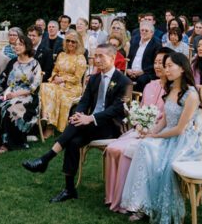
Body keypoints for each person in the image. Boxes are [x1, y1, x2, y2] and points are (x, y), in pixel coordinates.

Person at [21, 43, 130, 203]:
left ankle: (46, 159)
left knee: (76, 127)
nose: (97, 60)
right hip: (89, 125)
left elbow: (117, 109)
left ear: (112, 58)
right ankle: (69, 189)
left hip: (111, 126)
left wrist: (90, 118)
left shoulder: (124, 81)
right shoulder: (93, 79)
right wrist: (79, 114)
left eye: (101, 56)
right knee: (73, 142)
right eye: (95, 56)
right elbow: (84, 101)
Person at [118, 51, 202, 222]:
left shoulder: (190, 95)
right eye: (165, 66)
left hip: (184, 141)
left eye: (170, 66)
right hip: (167, 135)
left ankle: (153, 206)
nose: (165, 69)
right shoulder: (171, 89)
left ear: (182, 68)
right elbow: (165, 121)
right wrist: (150, 132)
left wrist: (155, 136)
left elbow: (179, 129)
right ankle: (142, 204)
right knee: (144, 147)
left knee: (156, 158)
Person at [105, 50, 170, 213]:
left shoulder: (173, 90)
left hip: (158, 133)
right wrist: (139, 125)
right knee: (112, 148)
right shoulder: (149, 85)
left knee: (125, 151)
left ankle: (125, 199)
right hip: (140, 129)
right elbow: (140, 110)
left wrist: (148, 130)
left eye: (161, 63)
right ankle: (112, 197)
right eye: (155, 62)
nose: (157, 66)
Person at [0, 34, 43, 152]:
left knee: (9, 107)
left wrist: (16, 94)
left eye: (20, 44)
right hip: (10, 93)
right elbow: (2, 79)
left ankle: (8, 142)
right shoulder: (12, 62)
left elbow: (34, 87)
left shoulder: (35, 64)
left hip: (27, 96)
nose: (17, 46)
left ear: (27, 46)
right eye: (16, 44)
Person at [39, 30, 88, 135]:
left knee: (57, 94)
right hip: (57, 83)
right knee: (43, 86)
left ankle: (50, 125)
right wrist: (56, 77)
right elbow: (55, 70)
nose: (70, 43)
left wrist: (63, 79)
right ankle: (46, 117)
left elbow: (77, 78)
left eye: (73, 42)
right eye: (68, 41)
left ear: (78, 43)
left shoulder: (80, 58)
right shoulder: (61, 55)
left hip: (72, 87)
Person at [126, 20, 158, 90]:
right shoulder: (134, 40)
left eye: (146, 31)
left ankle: (137, 100)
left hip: (146, 73)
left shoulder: (156, 44)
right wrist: (128, 69)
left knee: (141, 80)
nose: (143, 32)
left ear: (152, 33)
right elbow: (128, 57)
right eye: (142, 30)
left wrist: (142, 71)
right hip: (131, 71)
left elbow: (156, 63)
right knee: (121, 77)